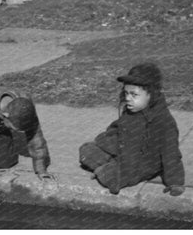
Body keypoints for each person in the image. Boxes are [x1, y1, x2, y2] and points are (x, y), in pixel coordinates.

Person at [79, 62, 185, 196]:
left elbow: (171, 153)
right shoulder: (131, 111)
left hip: (141, 164)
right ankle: (108, 166)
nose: (128, 99)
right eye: (126, 93)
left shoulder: (163, 121)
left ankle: (105, 170)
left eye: (134, 95)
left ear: (152, 94)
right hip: (124, 152)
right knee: (86, 150)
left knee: (114, 178)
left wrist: (175, 182)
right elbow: (117, 128)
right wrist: (106, 140)